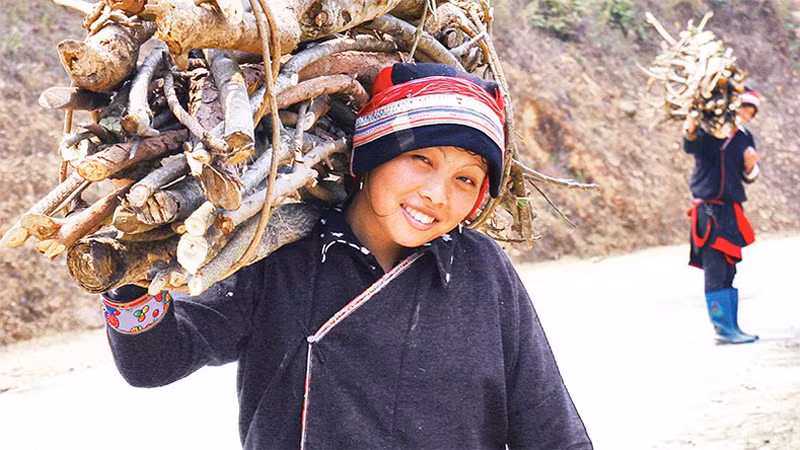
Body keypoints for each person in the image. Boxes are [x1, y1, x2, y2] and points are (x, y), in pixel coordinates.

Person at [101, 63, 592, 449]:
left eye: (465, 179)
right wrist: (133, 269)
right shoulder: (281, 255)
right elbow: (154, 363)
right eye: (421, 160)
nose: (439, 195)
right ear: (372, 156)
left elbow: (547, 423)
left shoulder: (480, 269)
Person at [683, 88, 762, 345]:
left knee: (729, 269)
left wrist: (750, 165)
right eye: (744, 108)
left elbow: (748, 175)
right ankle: (722, 328)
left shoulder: (744, 137)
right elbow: (690, 143)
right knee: (715, 270)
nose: (746, 115)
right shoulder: (710, 130)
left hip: (730, 210)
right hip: (708, 211)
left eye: (751, 112)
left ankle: (733, 326)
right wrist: (691, 121)